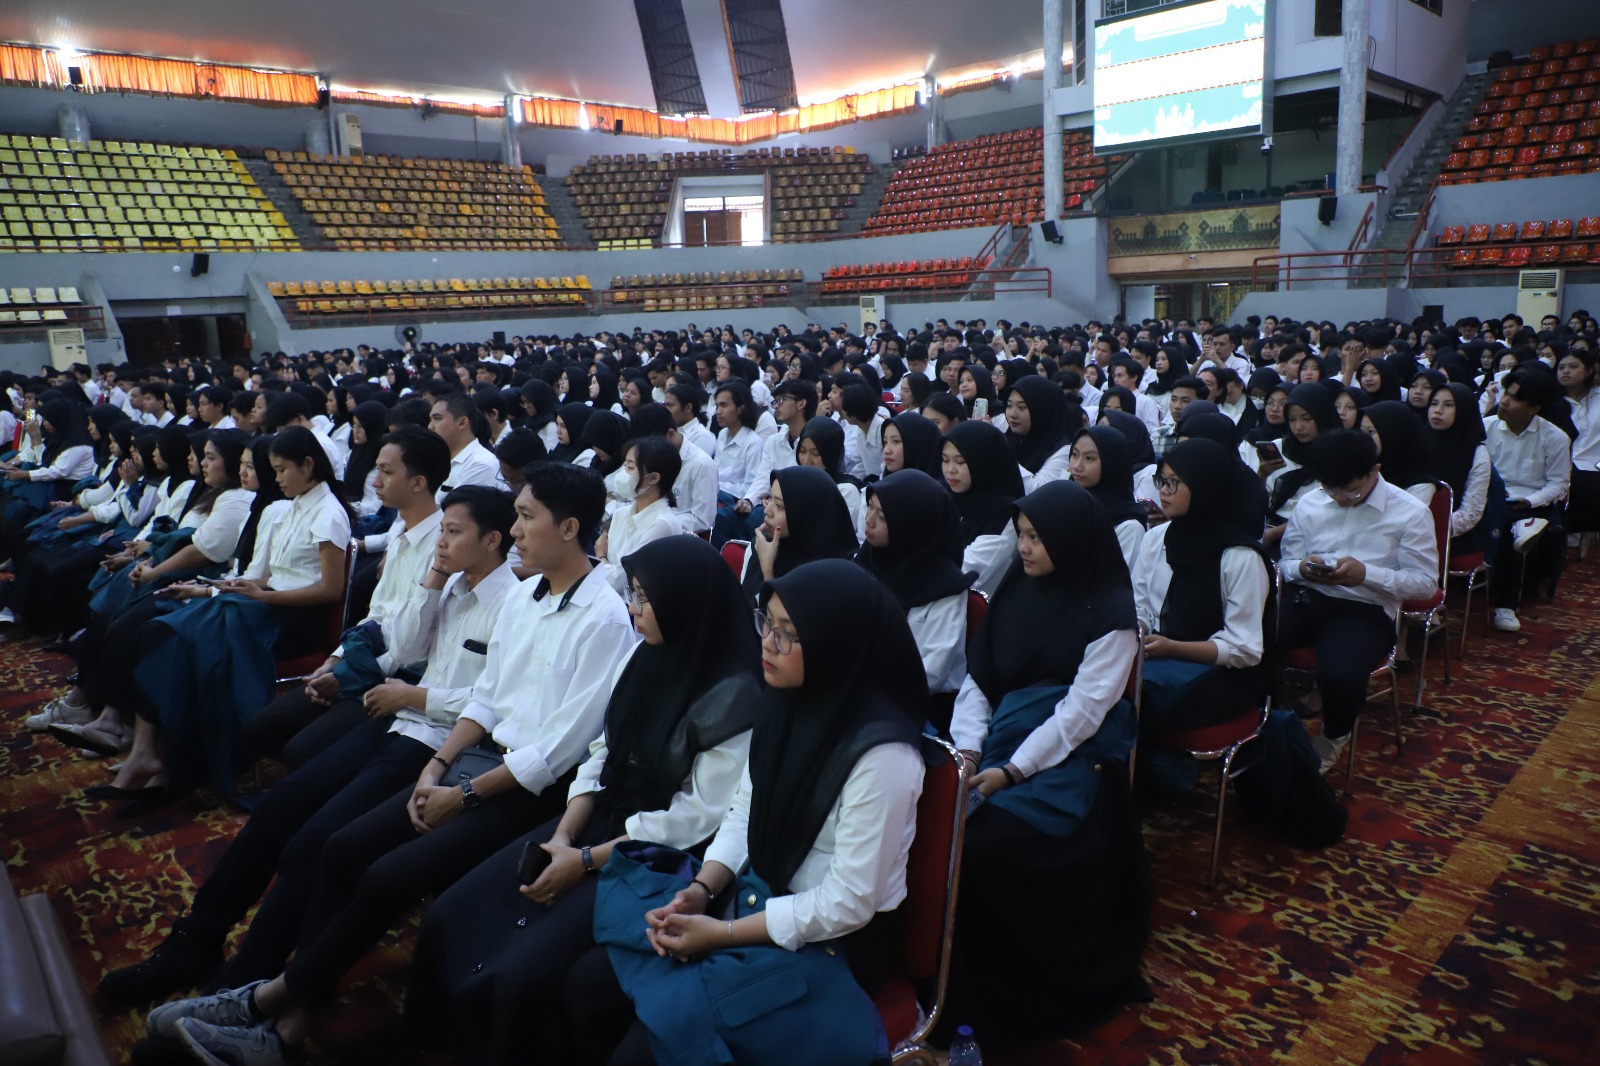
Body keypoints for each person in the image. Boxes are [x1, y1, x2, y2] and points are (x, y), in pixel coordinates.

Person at [156, 464, 638, 1066]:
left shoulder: (603, 620)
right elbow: (488, 697)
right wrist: (437, 766)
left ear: (568, 528)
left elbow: (556, 752)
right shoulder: (527, 594)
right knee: (341, 847)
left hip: (528, 790)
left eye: (525, 517)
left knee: (385, 875)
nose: (516, 530)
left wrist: (462, 794)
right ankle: (281, 1009)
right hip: (470, 760)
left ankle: (274, 1009)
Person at [97, 485, 518, 1013]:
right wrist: (433, 581)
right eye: (443, 531)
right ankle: (194, 941)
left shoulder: (513, 603)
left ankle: (245, 980)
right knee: (276, 807)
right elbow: (406, 647)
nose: (441, 541)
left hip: (437, 741)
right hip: (398, 719)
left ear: (492, 540)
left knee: (314, 842)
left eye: (453, 533)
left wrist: (415, 696)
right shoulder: (452, 582)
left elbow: (495, 701)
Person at [407, 536, 760, 1066]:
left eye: (646, 599)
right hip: (594, 821)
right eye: (633, 594)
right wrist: (563, 835)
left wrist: (587, 860)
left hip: (654, 854)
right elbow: (602, 752)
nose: (634, 609)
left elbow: (692, 818)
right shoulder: (643, 655)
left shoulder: (736, 698)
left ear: (686, 604)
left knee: (524, 973)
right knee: (454, 914)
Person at [576, 558, 928, 1066]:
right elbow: (745, 808)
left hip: (831, 943)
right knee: (587, 986)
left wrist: (721, 935)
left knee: (652, 1043)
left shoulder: (885, 757)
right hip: (755, 896)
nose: (766, 643)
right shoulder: (784, 701)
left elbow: (848, 902)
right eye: (767, 623)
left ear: (835, 644)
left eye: (787, 634)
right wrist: (702, 891)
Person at [945, 480, 1150, 1052]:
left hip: (1067, 763)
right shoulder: (1018, 589)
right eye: (1022, 535)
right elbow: (980, 679)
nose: (1025, 548)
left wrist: (1012, 771)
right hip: (1000, 743)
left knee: (979, 845)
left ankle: (999, 992)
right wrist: (968, 751)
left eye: (1037, 537)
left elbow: (1080, 716)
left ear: (1072, 541)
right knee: (930, 819)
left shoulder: (1110, 614)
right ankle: (938, 977)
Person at [237, 426, 453, 768]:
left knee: (299, 751)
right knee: (261, 727)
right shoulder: (401, 532)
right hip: (365, 661)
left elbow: (412, 649)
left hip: (396, 677)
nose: (376, 482)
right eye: (377, 470)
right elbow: (376, 613)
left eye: (386, 472)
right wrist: (335, 661)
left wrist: (348, 676)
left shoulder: (442, 547)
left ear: (418, 483)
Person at [1278, 430, 1438, 771]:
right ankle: (1267, 722)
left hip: (1365, 609)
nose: (1339, 498)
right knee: (1252, 642)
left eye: (1350, 490)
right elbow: (1286, 562)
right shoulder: (1311, 502)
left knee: (1340, 674)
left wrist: (1366, 574)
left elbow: (1426, 586)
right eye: (1330, 489)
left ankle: (1334, 735)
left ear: (1374, 471)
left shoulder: (1409, 512)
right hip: (1309, 595)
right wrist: (1302, 568)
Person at [1133, 439, 1271, 733]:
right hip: (1160, 657)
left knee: (1133, 705)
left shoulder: (1240, 556)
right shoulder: (1157, 537)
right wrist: (1140, 630)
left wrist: (1174, 648)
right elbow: (1140, 603)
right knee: (1097, 684)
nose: (1163, 491)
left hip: (1224, 675)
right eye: (1162, 481)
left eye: (1174, 483)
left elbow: (1244, 649)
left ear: (1205, 488)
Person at [856, 469, 974, 694]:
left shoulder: (944, 587)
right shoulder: (870, 558)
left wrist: (860, 682)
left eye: (882, 517)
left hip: (913, 698)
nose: (868, 520)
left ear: (910, 525)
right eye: (869, 507)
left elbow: (931, 672)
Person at [1484, 370, 1572, 631]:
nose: (1504, 401)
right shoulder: (1486, 427)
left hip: (1530, 503)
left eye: (1514, 398)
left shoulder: (1555, 437)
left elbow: (1559, 484)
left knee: (1512, 534)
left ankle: (1506, 606)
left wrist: (1531, 501)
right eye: (1505, 393)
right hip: (1490, 496)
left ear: (1534, 407)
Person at [735, 465, 858, 602]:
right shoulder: (762, 547)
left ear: (805, 514)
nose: (767, 511)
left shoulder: (834, 575)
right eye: (770, 498)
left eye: (779, 506)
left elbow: (780, 615)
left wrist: (768, 571)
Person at [943, 420, 1027, 596]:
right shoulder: (946, 498)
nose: (950, 470)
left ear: (984, 462)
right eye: (945, 460)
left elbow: (964, 572)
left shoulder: (1007, 516)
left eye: (960, 462)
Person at [1259, 383, 1341, 550]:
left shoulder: (1339, 452)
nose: (1298, 427)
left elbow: (1332, 510)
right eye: (1292, 419)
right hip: (1271, 528)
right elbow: (1261, 501)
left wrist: (1275, 534)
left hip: (1319, 538)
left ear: (1322, 416)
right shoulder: (1281, 448)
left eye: (1306, 418)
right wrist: (1262, 475)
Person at [599, 437, 684, 597]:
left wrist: (601, 557)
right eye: (624, 465)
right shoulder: (620, 514)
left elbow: (624, 581)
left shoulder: (662, 524)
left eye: (630, 467)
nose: (623, 473)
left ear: (653, 478)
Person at [1424, 382, 1496, 557]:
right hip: (1413, 527)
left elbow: (1471, 512)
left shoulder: (1477, 452)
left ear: (1464, 410)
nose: (1437, 410)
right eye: (1434, 403)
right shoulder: (1419, 439)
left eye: (1448, 405)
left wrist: (1429, 529)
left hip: (1454, 535)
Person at [1067, 425, 1148, 567]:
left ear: (1111, 463)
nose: (1077, 466)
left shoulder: (1129, 527)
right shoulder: (1066, 502)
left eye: (1089, 458)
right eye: (1074, 454)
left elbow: (1118, 577)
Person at [796, 415, 866, 541]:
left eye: (816, 453)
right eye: (802, 451)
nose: (806, 460)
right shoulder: (797, 483)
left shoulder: (845, 491)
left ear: (831, 454)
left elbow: (836, 538)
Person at [1359, 401, 1439, 504]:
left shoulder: (1421, 485)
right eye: (1362, 431)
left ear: (1392, 435)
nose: (1363, 439)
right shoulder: (1364, 469)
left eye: (1371, 432)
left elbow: (1408, 514)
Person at [1004, 376, 1072, 489]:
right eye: (1009, 405)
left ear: (1042, 410)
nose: (1013, 414)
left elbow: (1038, 490)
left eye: (1022, 407)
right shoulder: (1009, 438)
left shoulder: (1063, 451)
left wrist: (1001, 453)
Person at [880, 411, 944, 479]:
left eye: (896, 441)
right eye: (885, 442)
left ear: (916, 445)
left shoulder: (937, 485)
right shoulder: (886, 481)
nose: (886, 451)